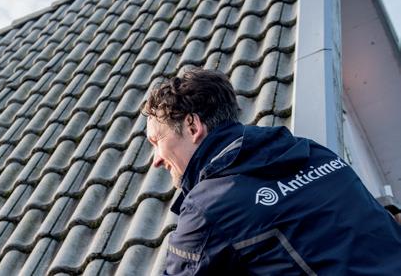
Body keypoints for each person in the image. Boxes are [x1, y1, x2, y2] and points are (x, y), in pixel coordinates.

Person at [142, 67, 401, 275]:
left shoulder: (208, 206)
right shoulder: (313, 152)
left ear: (192, 126)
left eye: (156, 141)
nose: (156, 160)